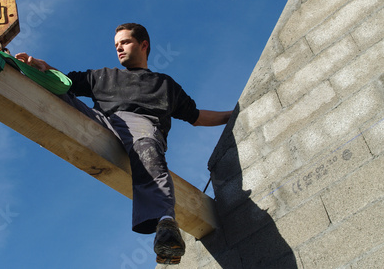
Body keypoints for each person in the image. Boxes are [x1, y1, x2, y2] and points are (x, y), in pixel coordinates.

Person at [16, 23, 232, 265]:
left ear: (143, 45)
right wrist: (43, 69)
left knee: (147, 148)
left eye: (125, 42)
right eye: (116, 45)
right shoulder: (102, 76)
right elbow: (65, 81)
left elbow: (197, 117)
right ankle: (2, 68)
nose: (119, 48)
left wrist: (233, 114)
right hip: (102, 122)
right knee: (57, 93)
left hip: (141, 126)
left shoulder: (164, 85)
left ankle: (165, 227)